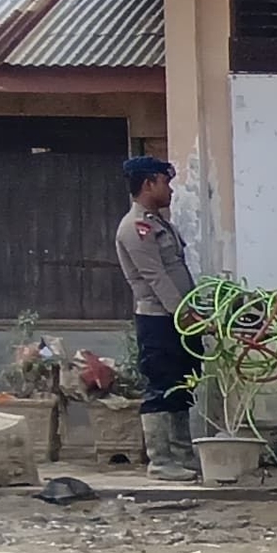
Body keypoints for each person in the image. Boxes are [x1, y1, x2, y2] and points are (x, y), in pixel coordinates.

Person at [112, 155, 199, 482]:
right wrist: (183, 314)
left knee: (182, 386)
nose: (171, 189)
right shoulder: (136, 227)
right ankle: (161, 460)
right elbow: (155, 277)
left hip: (179, 318)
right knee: (161, 387)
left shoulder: (160, 223)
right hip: (160, 320)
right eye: (165, 182)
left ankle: (182, 456)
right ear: (148, 183)